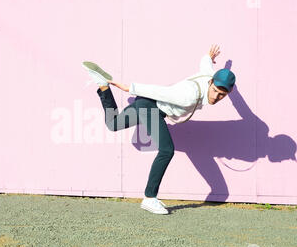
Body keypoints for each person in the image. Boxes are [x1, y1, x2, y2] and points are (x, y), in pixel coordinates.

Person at [82, 45, 236, 214]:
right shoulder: (189, 94)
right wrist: (129, 88)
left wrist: (208, 56)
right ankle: (149, 198)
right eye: (215, 91)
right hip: (151, 108)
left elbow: (205, 64)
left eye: (222, 95)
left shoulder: (209, 75)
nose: (216, 97)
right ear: (211, 82)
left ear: (229, 92)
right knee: (166, 150)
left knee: (113, 124)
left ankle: (103, 85)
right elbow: (161, 91)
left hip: (144, 104)